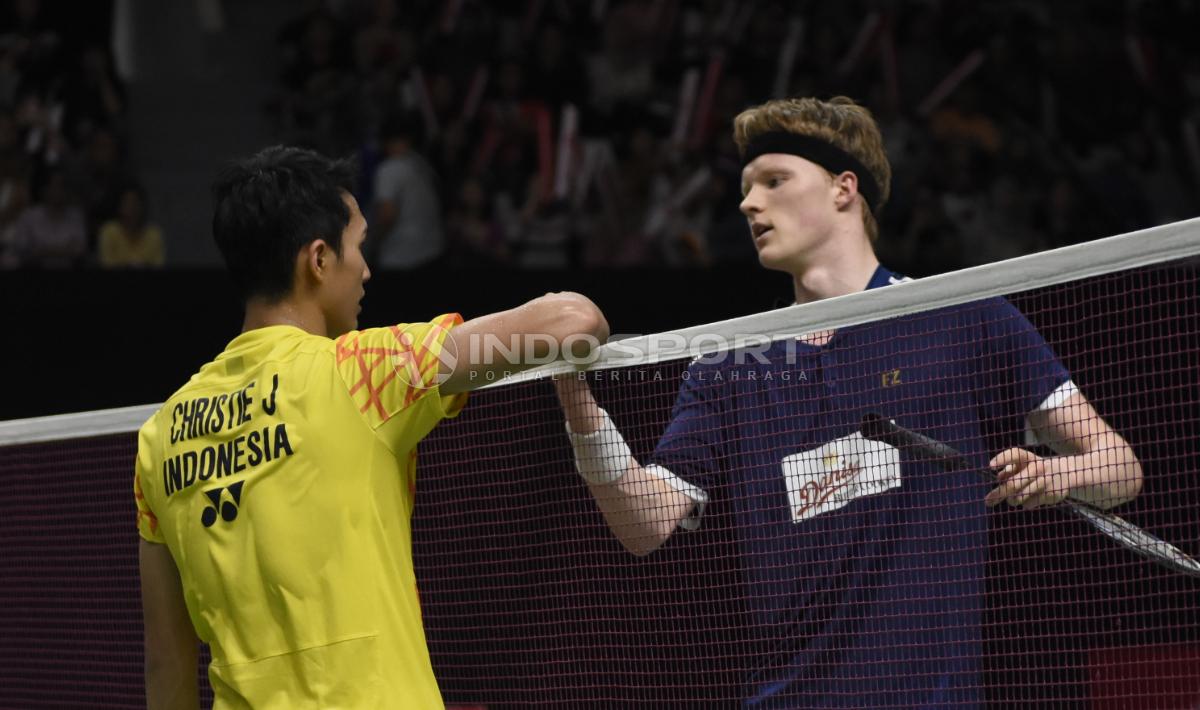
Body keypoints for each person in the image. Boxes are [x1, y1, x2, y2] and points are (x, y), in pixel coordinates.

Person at [553, 96, 1143, 708]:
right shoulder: (729, 363)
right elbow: (643, 525)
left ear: (843, 188)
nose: (748, 203)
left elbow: (1119, 467)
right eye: (746, 188)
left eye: (774, 181)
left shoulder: (961, 315)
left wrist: (1056, 473)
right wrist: (575, 398)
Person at [135, 145, 608, 709]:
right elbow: (574, 321)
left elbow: (167, 664)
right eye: (358, 246)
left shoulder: (160, 436)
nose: (366, 269)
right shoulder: (364, 371)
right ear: (317, 260)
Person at [98, 183, 164, 268]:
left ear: (142, 206)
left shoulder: (154, 234)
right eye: (127, 202)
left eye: (135, 202)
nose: (131, 207)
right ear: (119, 206)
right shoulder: (109, 231)